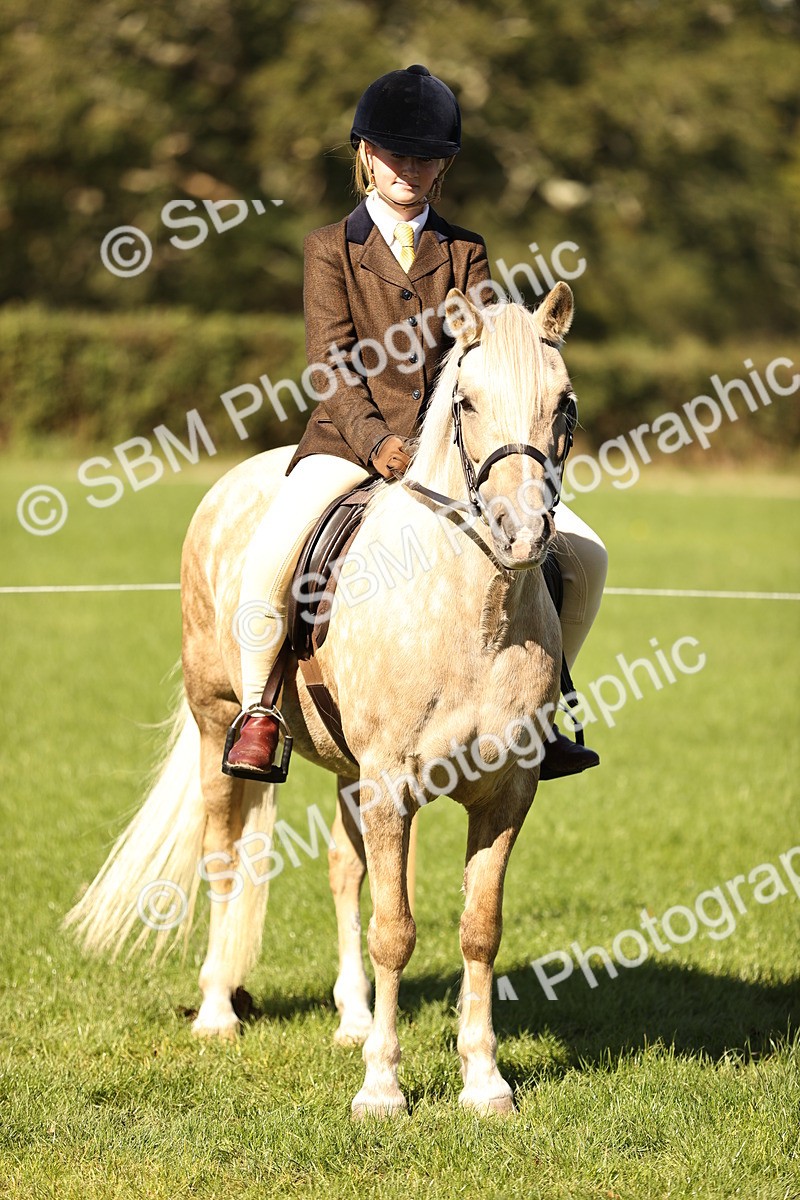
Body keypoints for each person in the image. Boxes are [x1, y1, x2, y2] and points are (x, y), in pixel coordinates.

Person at [224, 64, 607, 781]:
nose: (407, 170)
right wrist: (376, 441)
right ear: (366, 155)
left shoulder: (465, 251)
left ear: (443, 168)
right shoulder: (328, 248)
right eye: (394, 154)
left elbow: (485, 354)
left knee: (587, 557)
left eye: (423, 157)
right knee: (273, 558)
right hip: (347, 442)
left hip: (448, 452)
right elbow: (329, 365)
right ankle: (258, 712)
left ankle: (545, 707)